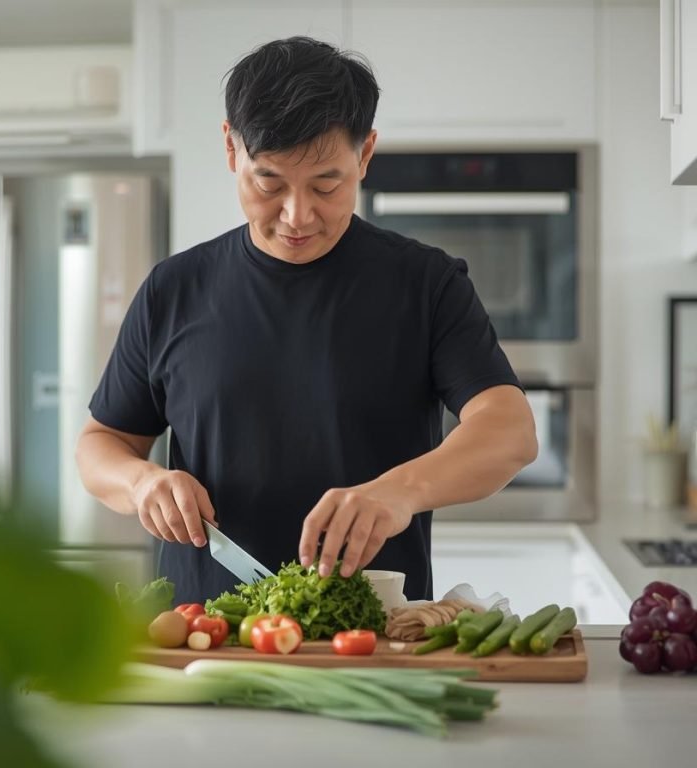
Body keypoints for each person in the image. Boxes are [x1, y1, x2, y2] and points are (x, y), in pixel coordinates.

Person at [76, 36, 538, 605]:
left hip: (375, 638)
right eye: (268, 182)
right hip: (205, 636)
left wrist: (399, 492)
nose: (297, 215)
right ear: (231, 149)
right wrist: (141, 481)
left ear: (365, 154)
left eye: (327, 184)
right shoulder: (173, 289)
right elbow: (101, 444)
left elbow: (509, 431)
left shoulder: (427, 284)